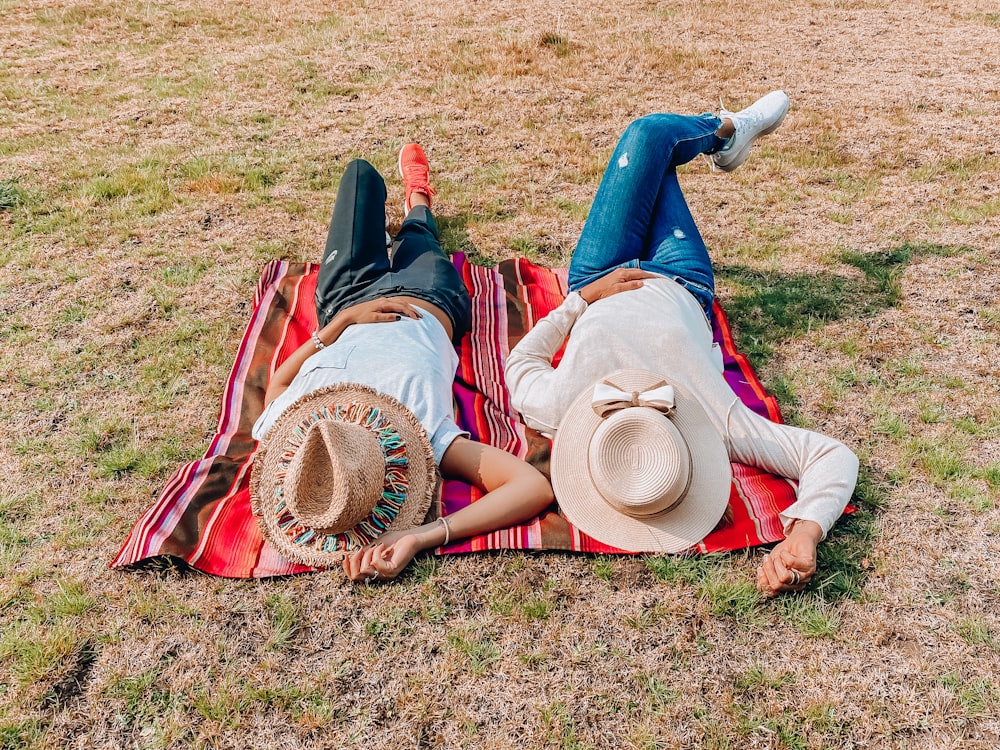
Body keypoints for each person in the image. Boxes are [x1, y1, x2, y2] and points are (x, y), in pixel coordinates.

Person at [504, 91, 860, 597]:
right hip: (681, 277)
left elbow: (522, 360)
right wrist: (805, 534)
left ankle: (726, 130)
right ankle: (727, 132)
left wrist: (580, 301)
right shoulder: (719, 422)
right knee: (654, 143)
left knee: (650, 139)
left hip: (600, 273)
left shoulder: (560, 407)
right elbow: (832, 457)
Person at [250, 145, 553, 582]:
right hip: (428, 299)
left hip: (346, 302)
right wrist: (424, 535)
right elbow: (531, 487)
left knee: (360, 177)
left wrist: (335, 329)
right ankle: (418, 200)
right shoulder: (419, 435)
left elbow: (277, 386)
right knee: (418, 238)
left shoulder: (299, 430)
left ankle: (403, 216)